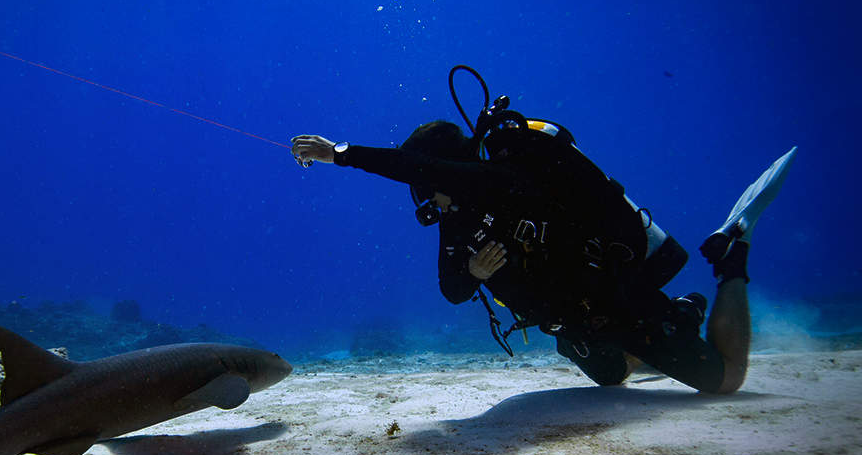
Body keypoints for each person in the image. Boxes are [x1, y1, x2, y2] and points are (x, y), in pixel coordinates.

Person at [291, 109, 792, 395]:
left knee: (726, 380)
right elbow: (451, 290)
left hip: (612, 296)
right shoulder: (459, 219)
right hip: (576, 321)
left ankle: (731, 257)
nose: (428, 200)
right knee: (614, 375)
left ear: (447, 167)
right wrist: (469, 268)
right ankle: (678, 317)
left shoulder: (504, 183)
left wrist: (339, 153)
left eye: (429, 182)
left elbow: (419, 166)